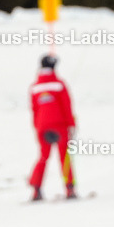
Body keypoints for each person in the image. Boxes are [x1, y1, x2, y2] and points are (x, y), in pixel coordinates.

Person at [29, 55, 77, 200]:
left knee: (43, 157)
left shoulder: (35, 87)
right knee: (64, 156)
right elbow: (66, 106)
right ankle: (69, 189)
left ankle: (36, 189)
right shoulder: (59, 84)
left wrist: (37, 127)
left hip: (42, 127)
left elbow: (34, 109)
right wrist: (71, 124)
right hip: (59, 125)